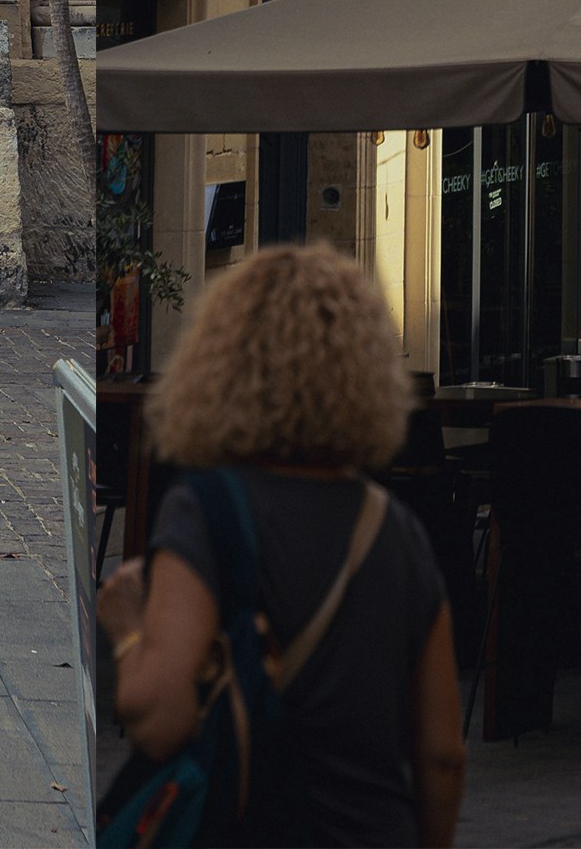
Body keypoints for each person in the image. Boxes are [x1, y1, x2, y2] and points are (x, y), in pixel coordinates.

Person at [97, 242, 462, 847]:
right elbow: (443, 753)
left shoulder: (207, 510)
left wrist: (128, 625)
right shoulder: (397, 529)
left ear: (220, 364)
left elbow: (159, 720)